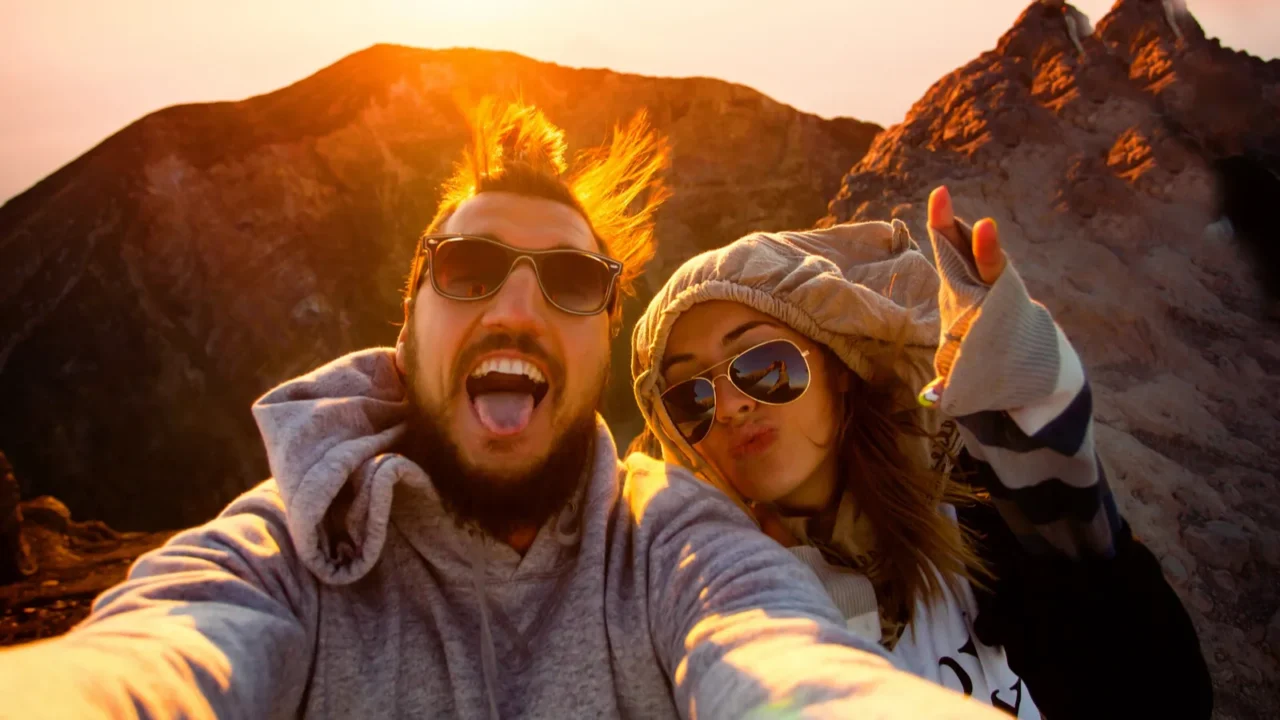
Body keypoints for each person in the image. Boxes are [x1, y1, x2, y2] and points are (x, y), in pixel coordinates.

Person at [0, 102, 1011, 719]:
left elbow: (777, 660)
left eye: (570, 283)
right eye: (471, 269)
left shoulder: (672, 545)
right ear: (406, 330)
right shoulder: (284, 551)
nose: (519, 308)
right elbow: (160, 653)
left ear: (603, 344)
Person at [629, 187, 1214, 718]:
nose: (729, 406)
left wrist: (1047, 459)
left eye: (762, 366)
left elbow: (1165, 696)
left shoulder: (976, 523)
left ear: (839, 366)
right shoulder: (718, 611)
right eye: (691, 397)